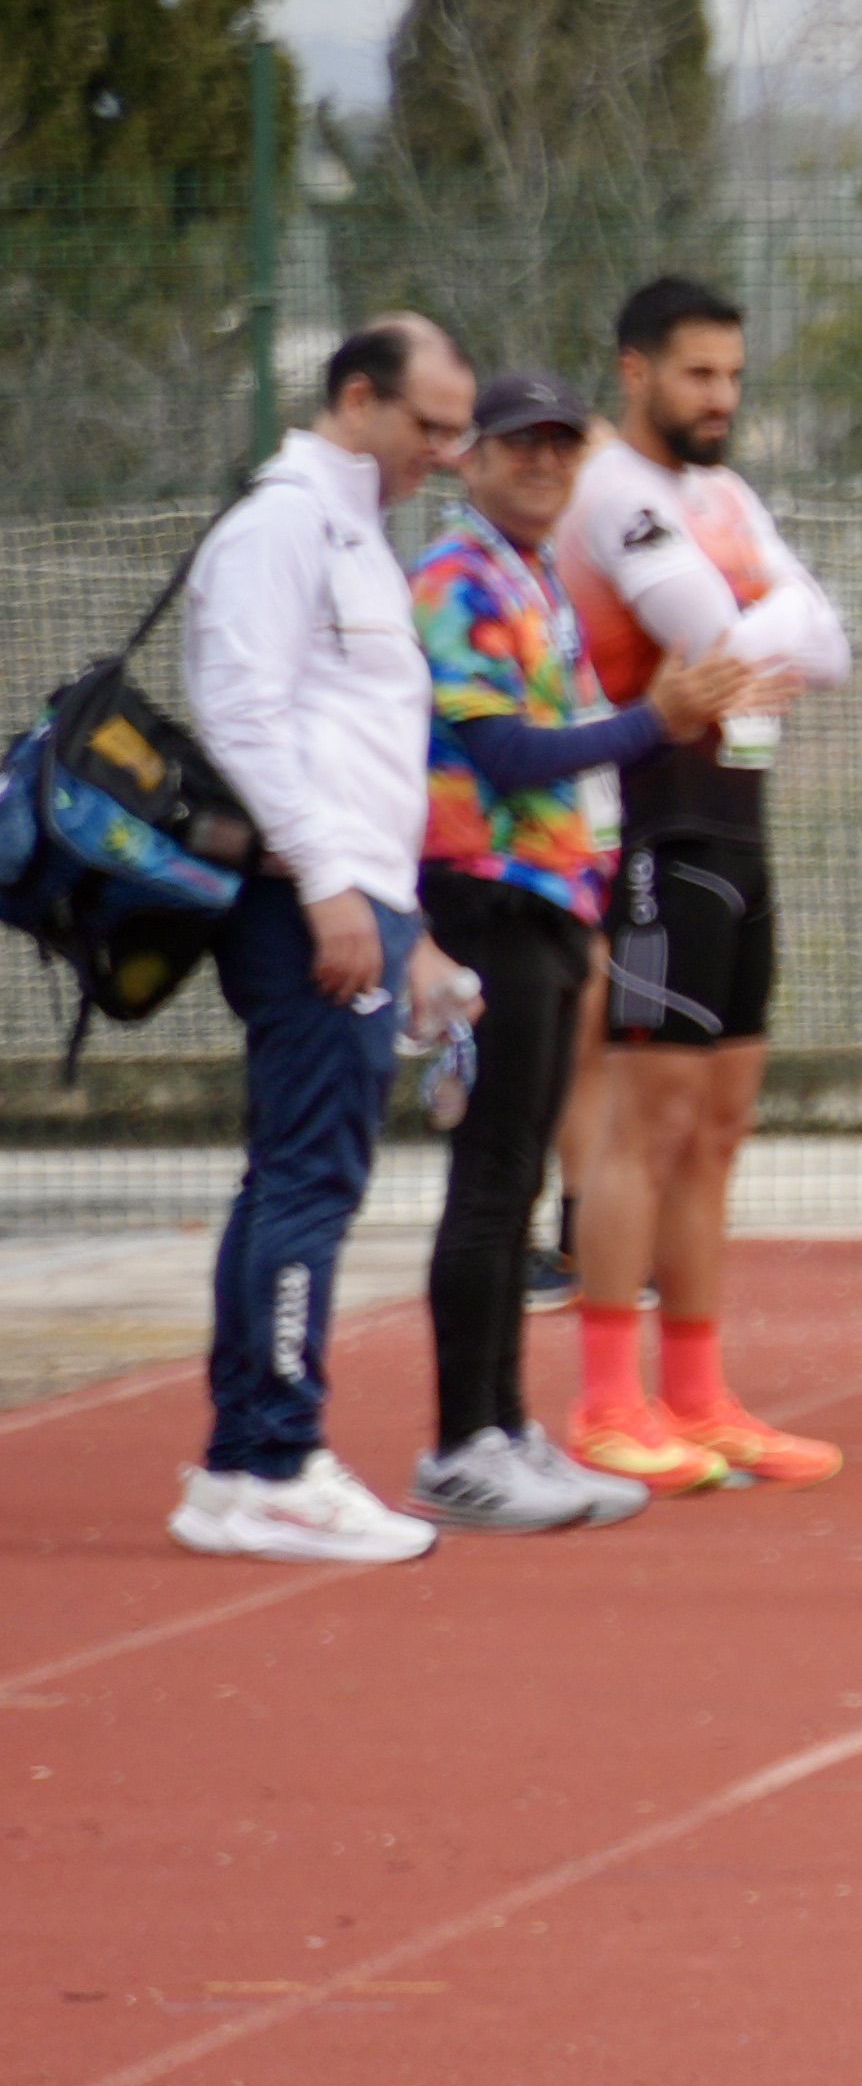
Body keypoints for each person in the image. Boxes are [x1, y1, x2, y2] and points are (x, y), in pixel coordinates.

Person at [408, 365, 752, 1532]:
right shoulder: (456, 581)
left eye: (560, 444)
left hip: (551, 904)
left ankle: (506, 1425)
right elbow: (505, 753)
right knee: (494, 1178)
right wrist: (660, 718)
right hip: (487, 904)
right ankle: (465, 1440)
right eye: (518, 445)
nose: (543, 463)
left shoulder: (537, 570)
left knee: (519, 1180)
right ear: (472, 457)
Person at [171, 318, 473, 1566]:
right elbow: (239, 709)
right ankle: (281, 1459)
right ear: (358, 398)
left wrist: (399, 924)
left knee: (291, 1175)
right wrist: (334, 890)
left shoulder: (354, 530)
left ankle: (245, 1466)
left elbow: (353, 744)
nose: (448, 454)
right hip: (310, 904)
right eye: (429, 426)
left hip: (353, 899)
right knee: (310, 1180)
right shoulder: (285, 522)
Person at [560, 275, 856, 1493]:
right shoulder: (611, 492)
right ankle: (604, 1399)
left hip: (737, 821)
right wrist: (764, 618)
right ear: (635, 372)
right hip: (648, 825)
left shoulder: (724, 494)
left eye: (733, 376)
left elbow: (828, 644)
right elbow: (714, 640)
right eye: (697, 375)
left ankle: (697, 1393)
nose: (721, 398)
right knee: (649, 1122)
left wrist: (763, 618)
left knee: (722, 1127)